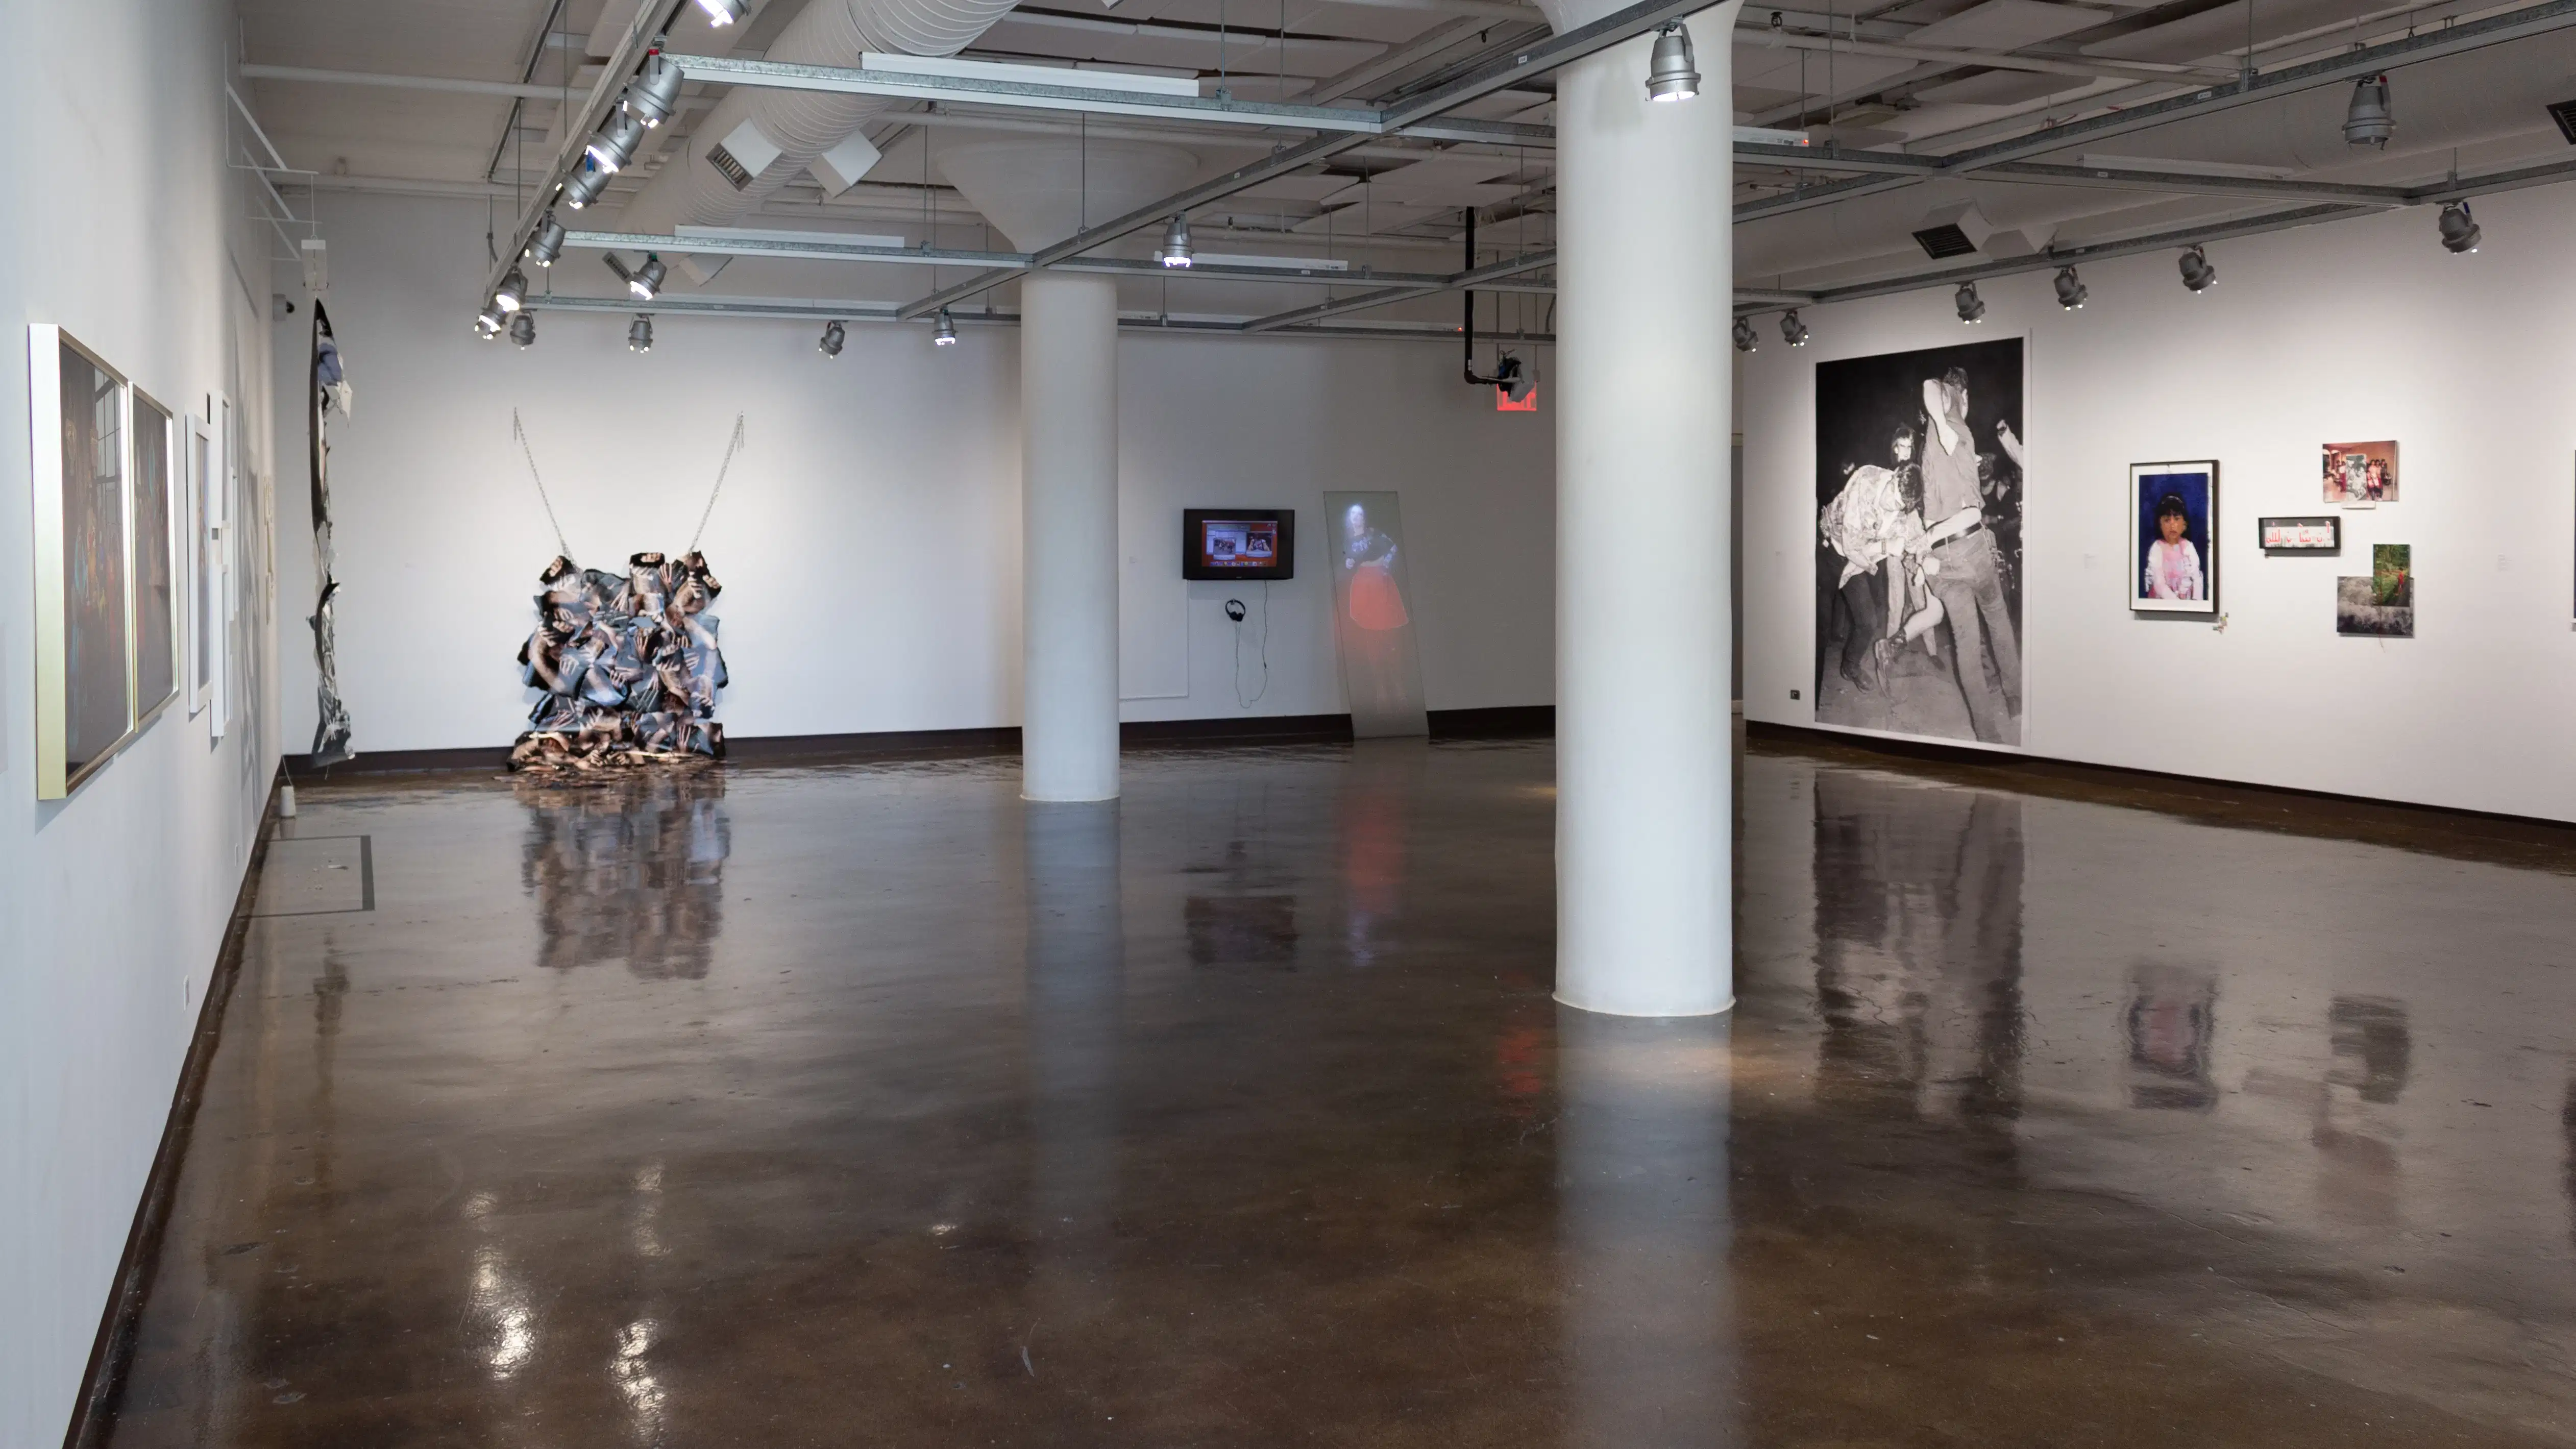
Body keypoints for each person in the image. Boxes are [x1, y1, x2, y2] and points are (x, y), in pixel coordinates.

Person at [1911, 366, 2021, 745]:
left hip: (1943, 561)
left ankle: (1985, 731)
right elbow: (1929, 385)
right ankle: (2015, 700)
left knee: (1966, 644)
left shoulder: (1935, 441)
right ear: (1963, 395)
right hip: (1971, 547)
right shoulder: (1956, 424)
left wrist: (1928, 544)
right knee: (1999, 624)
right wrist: (1944, 422)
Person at [2142, 492, 2204, 601]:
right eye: (2167, 520)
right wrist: (2177, 604)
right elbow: (2159, 584)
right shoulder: (2157, 548)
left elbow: (2197, 578)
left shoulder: (2188, 547)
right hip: (2164, 604)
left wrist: (2196, 602)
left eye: (2177, 519)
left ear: (2184, 524)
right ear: (2160, 525)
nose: (2172, 525)